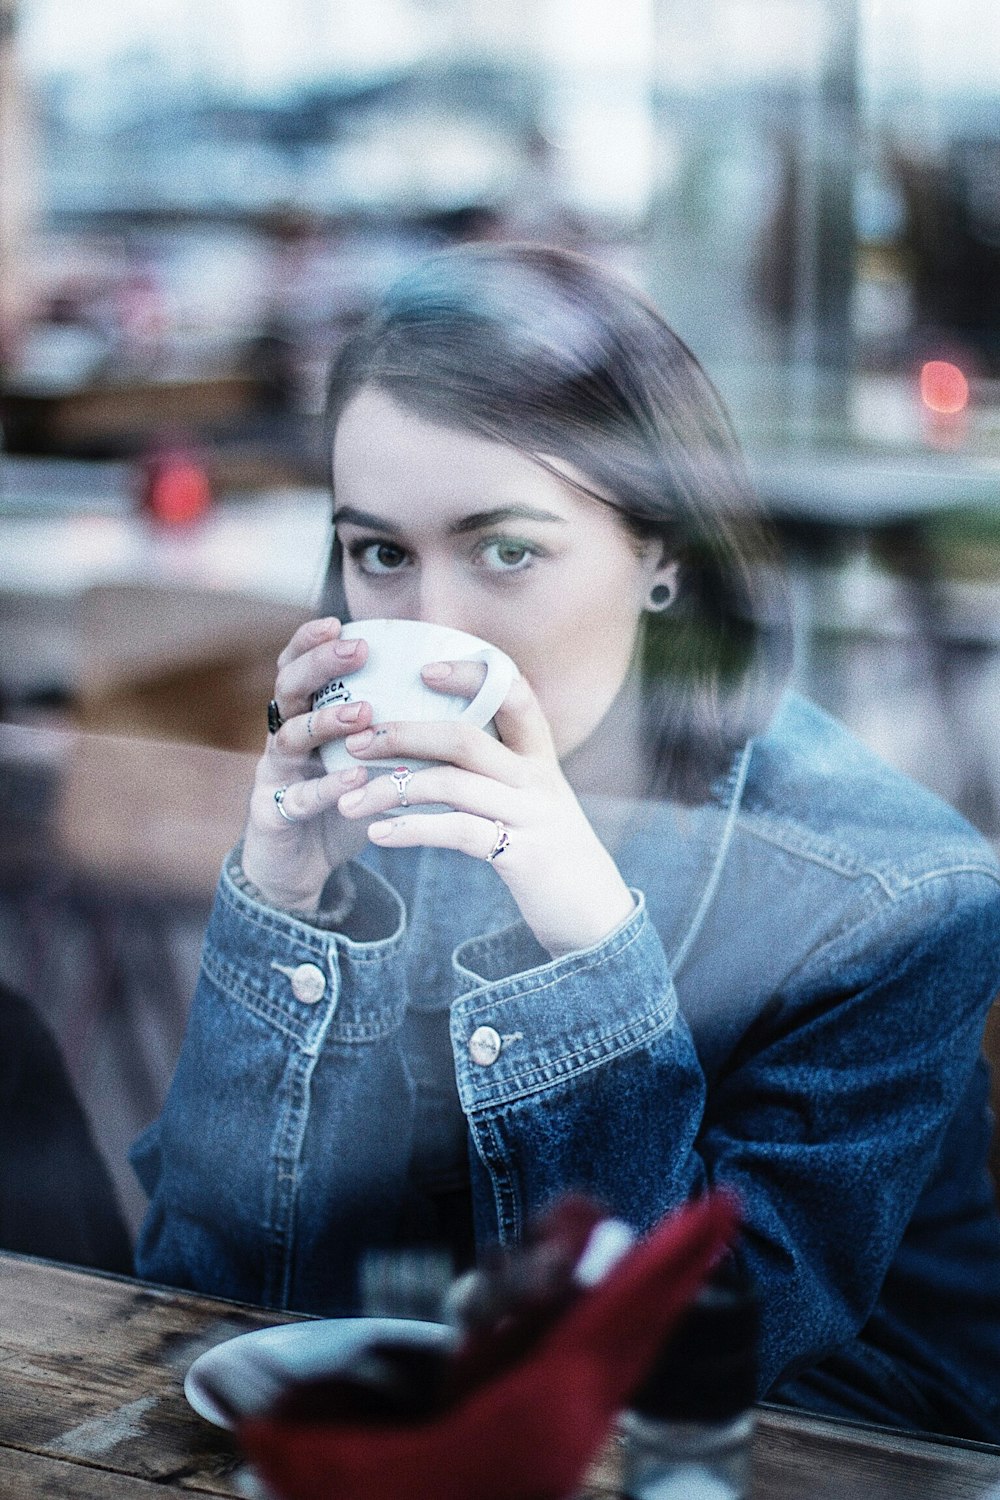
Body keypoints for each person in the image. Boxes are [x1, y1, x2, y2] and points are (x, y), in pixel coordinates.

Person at [131, 243, 1000, 1441]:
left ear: (665, 555)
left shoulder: (898, 893)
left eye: (505, 550)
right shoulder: (370, 830)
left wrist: (584, 944)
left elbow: (697, 1365)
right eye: (380, 553)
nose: (431, 625)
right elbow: (195, 1293)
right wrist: (282, 915)